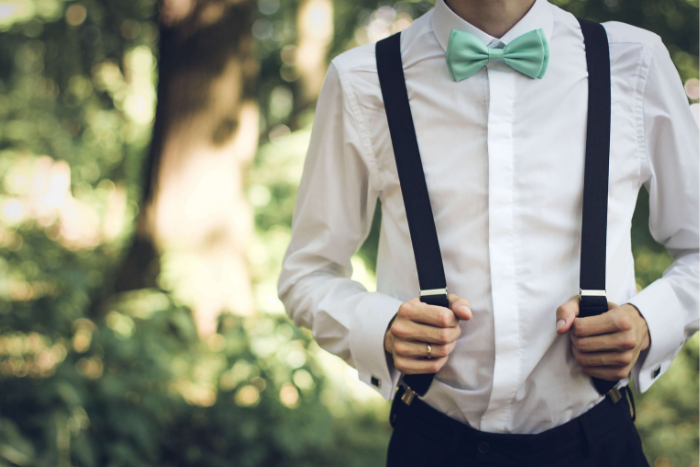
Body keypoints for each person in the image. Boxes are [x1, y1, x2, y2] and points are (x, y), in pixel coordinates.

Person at [277, 0, 699, 465]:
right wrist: (380, 327)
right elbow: (306, 273)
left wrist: (646, 322)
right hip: (433, 445)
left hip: (596, 443)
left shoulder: (633, 61)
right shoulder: (363, 80)